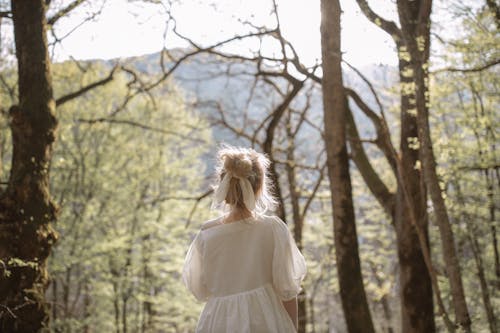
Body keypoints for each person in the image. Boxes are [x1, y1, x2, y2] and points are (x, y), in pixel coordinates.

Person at [182, 145, 307, 332]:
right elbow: (287, 290)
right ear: (259, 187)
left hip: (218, 323)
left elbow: (199, 289)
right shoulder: (272, 229)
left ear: (224, 189)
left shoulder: (206, 236)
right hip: (265, 322)